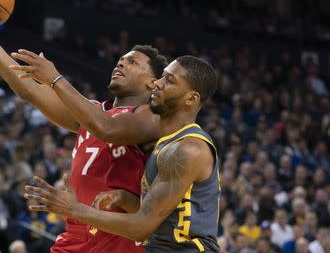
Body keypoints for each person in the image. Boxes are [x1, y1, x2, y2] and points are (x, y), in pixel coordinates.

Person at [0, 8, 168, 252]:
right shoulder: (92, 111)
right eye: (121, 59)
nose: (120, 63)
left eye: (133, 62)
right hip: (77, 231)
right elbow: (29, 90)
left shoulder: (151, 117)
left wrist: (55, 79)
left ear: (153, 82)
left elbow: (106, 128)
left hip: (119, 236)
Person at [25, 56, 221, 252]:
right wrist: (126, 198)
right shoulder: (168, 142)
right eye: (162, 76)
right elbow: (161, 216)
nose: (158, 83)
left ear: (191, 98)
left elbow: (142, 227)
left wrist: (73, 209)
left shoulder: (187, 149)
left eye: (169, 81)